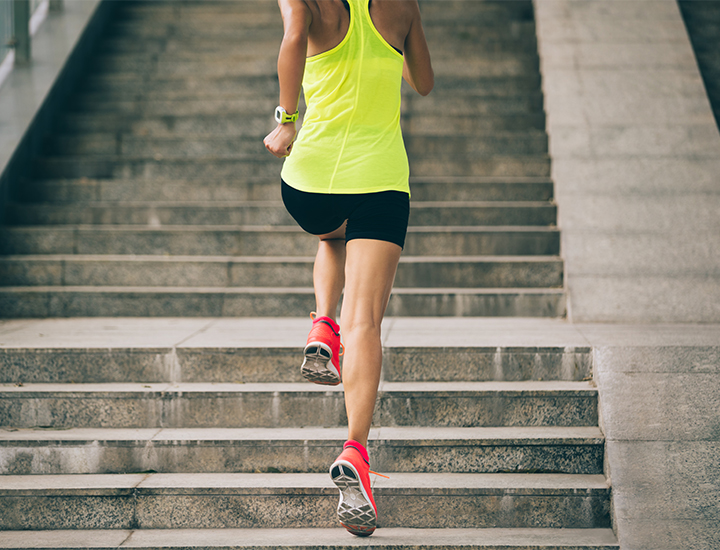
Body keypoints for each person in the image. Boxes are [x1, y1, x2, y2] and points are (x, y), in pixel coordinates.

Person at [264, 0, 433, 537]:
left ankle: (321, 323)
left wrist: (287, 120)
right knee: (368, 322)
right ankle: (356, 451)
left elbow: (293, 40)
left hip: (311, 181)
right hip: (381, 180)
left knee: (331, 236)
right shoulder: (401, 8)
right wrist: (395, 44)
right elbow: (423, 81)